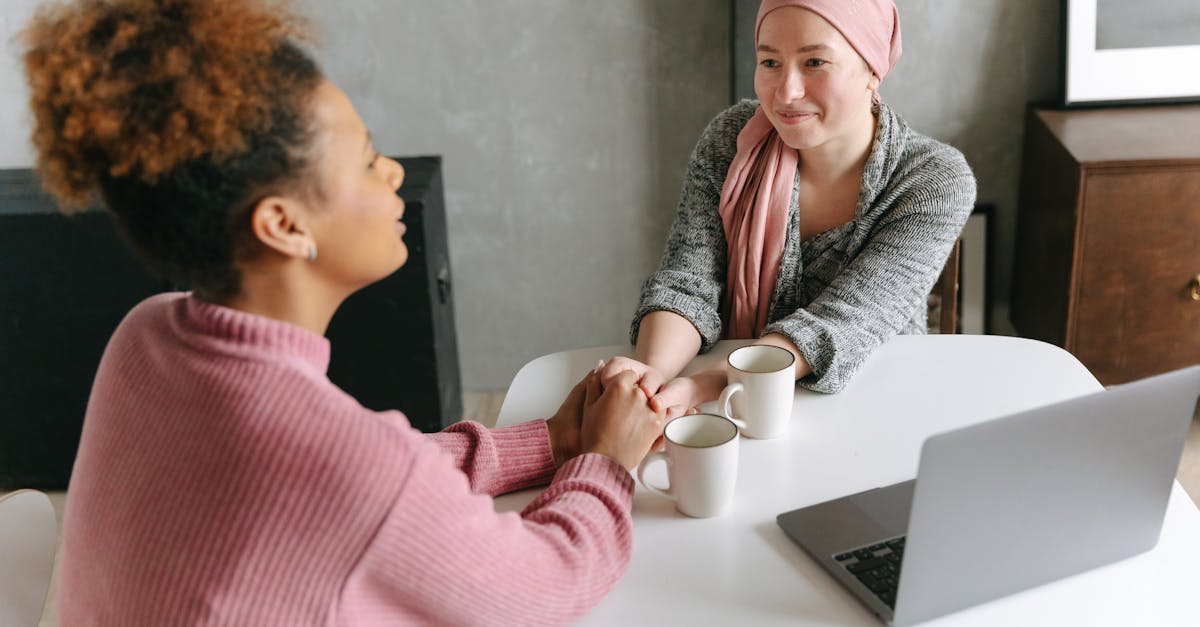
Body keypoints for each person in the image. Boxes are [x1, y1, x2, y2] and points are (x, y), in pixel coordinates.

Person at [23, 0, 665, 623]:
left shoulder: (145, 334)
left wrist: (551, 441)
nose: (389, 173)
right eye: (364, 160)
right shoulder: (336, 459)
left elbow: (375, 481)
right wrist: (606, 462)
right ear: (283, 224)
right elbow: (551, 585)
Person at [602, 0, 976, 411]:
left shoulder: (933, 180)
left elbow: (844, 322)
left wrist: (711, 383)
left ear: (872, 68)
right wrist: (652, 376)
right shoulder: (732, 141)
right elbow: (688, 284)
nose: (786, 92)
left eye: (814, 61)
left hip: (872, 410)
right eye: (769, 62)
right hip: (737, 417)